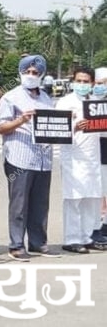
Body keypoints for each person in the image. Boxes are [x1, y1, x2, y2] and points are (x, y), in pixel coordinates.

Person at [0, 54, 59, 261]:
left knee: (41, 203)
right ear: (21, 73)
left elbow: (53, 125)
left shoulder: (46, 98)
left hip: (43, 158)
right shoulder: (10, 97)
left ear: (42, 75)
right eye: (27, 72)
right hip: (19, 157)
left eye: (35, 73)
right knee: (19, 203)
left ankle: (38, 242)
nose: (31, 75)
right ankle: (16, 244)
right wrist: (21, 120)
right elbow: (1, 127)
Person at [55, 67, 106, 253]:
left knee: (92, 199)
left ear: (92, 83)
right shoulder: (64, 102)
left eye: (86, 82)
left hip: (92, 157)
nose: (82, 85)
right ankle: (72, 238)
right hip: (73, 158)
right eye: (79, 81)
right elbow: (57, 129)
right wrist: (75, 126)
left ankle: (87, 236)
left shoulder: (96, 103)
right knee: (74, 199)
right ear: (73, 81)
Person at [93, 67, 107, 241]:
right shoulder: (87, 102)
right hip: (95, 151)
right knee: (97, 192)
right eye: (99, 83)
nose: (102, 86)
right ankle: (96, 226)